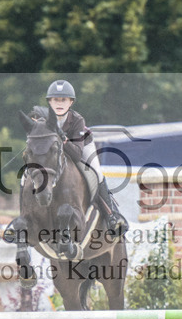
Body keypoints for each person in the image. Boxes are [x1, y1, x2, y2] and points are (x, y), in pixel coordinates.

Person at [43, 79, 128, 236]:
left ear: (71, 102)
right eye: (55, 100)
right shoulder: (45, 120)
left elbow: (76, 154)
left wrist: (63, 138)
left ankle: (112, 215)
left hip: (82, 147)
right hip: (57, 154)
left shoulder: (77, 120)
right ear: (49, 102)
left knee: (96, 173)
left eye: (64, 100)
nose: (59, 103)